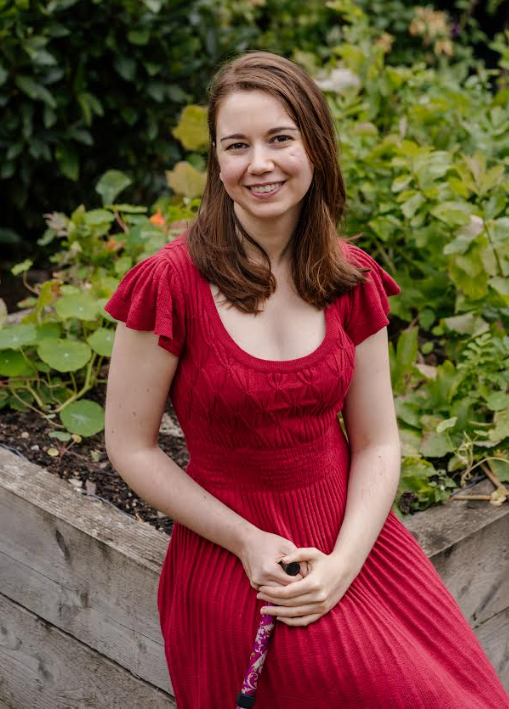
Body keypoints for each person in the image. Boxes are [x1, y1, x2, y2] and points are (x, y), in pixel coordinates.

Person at [104, 51, 509, 708]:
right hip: (239, 557)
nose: (259, 163)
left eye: (279, 138)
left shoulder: (349, 279)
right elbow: (131, 446)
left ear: (314, 147)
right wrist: (247, 539)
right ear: (216, 162)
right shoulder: (171, 283)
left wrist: (343, 563)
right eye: (236, 145)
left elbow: (377, 441)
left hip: (356, 543)